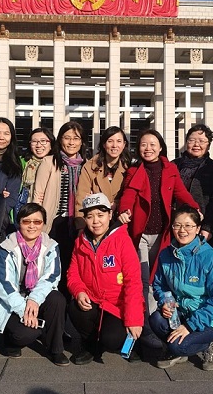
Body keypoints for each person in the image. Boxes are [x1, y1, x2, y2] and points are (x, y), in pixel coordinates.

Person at [118, 129, 200, 348]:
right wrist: (124, 210)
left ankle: (158, 321)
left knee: (159, 279)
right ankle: (144, 325)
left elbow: (180, 193)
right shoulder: (134, 170)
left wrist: (195, 209)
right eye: (143, 144)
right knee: (142, 279)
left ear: (161, 147)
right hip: (141, 235)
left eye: (153, 144)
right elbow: (128, 195)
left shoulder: (170, 169)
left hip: (163, 233)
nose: (148, 149)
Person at [67, 193, 144, 364]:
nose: (96, 221)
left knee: (112, 339)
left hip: (117, 305)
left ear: (110, 215)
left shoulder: (122, 241)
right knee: (74, 308)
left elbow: (133, 282)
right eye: (90, 216)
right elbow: (73, 273)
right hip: (93, 299)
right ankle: (91, 345)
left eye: (100, 215)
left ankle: (128, 342)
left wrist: (133, 320)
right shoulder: (80, 241)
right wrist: (79, 291)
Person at [0, 203, 69, 366]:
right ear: (19, 223)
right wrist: (24, 309)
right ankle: (9, 340)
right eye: (26, 221)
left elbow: (51, 277)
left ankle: (55, 349)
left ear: (43, 224)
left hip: (36, 296)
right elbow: (4, 285)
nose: (32, 226)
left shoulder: (51, 246)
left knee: (57, 299)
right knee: (25, 335)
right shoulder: (6, 248)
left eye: (37, 222)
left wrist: (34, 300)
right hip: (12, 301)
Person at [150, 206, 213, 370]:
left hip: (210, 320)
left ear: (198, 229)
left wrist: (189, 326)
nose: (182, 230)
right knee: (156, 320)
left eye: (188, 225)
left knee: (178, 346)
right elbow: (159, 285)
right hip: (182, 312)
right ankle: (178, 346)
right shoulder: (166, 255)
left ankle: (209, 343)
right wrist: (165, 302)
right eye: (177, 225)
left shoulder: (211, 258)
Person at [32, 121, 86, 298]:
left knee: (76, 267)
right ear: (60, 140)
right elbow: (38, 195)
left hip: (78, 224)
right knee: (54, 266)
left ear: (81, 141)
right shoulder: (49, 162)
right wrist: (37, 223)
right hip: (55, 223)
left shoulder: (86, 164)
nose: (71, 142)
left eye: (76, 138)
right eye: (67, 138)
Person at [173, 124, 213, 244]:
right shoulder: (173, 165)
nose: (196, 145)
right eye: (192, 140)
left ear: (208, 145)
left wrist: (207, 227)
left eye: (201, 141)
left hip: (201, 226)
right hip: (175, 225)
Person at [75, 126, 132, 229]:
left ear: (124, 144)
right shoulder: (90, 167)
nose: (114, 145)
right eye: (110, 141)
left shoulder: (129, 168)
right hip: (95, 223)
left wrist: (117, 203)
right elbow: (81, 198)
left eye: (119, 141)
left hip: (119, 221)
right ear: (104, 144)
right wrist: (81, 227)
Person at [19, 127, 55, 211]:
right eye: (34, 141)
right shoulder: (21, 162)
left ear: (51, 144)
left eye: (43, 141)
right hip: (24, 205)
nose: (38, 145)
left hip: (49, 205)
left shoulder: (57, 164)